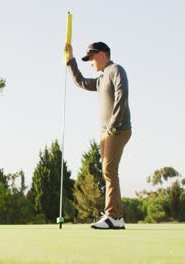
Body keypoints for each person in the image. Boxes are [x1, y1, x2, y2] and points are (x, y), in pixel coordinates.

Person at [65, 42, 132, 229]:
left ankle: (112, 216)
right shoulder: (102, 79)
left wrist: (113, 124)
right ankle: (116, 218)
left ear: (102, 54)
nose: (90, 62)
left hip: (118, 129)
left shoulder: (116, 70)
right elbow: (80, 81)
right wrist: (70, 60)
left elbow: (122, 94)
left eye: (91, 58)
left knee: (109, 171)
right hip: (107, 131)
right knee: (108, 172)